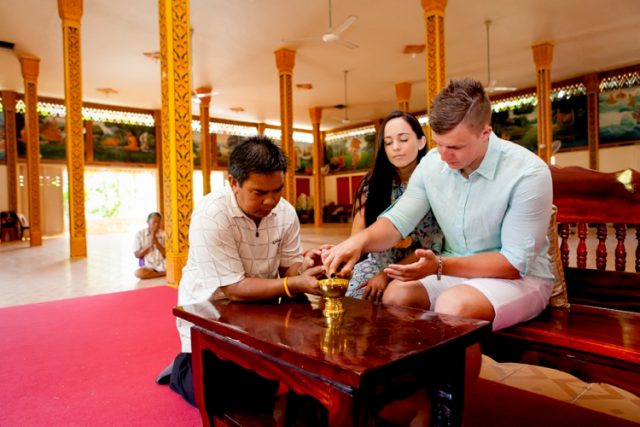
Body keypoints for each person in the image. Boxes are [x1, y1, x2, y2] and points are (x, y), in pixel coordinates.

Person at [323, 78, 553, 425]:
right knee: (397, 295)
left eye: (456, 148)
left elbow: (513, 263)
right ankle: (423, 405)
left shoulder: (528, 172)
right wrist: (357, 242)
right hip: (452, 270)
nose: (444, 157)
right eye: (439, 144)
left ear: (486, 133)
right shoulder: (434, 163)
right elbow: (398, 220)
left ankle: (452, 418)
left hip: (519, 278)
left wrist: (440, 265)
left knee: (454, 307)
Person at [157, 135, 324, 413]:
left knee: (267, 388)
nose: (271, 201)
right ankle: (180, 371)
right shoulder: (212, 214)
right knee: (218, 398)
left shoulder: (285, 212)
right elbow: (233, 288)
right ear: (233, 183)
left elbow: (288, 268)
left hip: (263, 313)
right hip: (212, 313)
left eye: (277, 190)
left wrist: (307, 265)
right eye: (259, 193)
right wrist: (293, 283)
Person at [347, 110, 442, 301]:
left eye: (404, 139)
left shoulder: (434, 182)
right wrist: (343, 260)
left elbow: (431, 247)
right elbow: (357, 235)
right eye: (388, 142)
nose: (396, 147)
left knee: (396, 305)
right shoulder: (372, 184)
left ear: (421, 142)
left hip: (419, 266)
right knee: (354, 300)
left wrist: (386, 276)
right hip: (378, 264)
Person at [133, 212, 166, 279]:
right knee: (139, 273)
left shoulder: (164, 234)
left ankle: (157, 274)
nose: (156, 225)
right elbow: (137, 255)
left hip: (164, 264)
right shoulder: (139, 234)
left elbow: (166, 254)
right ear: (148, 222)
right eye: (154, 222)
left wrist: (156, 243)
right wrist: (150, 244)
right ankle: (163, 274)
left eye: (158, 222)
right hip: (149, 266)